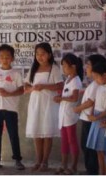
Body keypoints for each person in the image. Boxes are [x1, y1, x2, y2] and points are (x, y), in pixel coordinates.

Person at [24, 42, 64, 171]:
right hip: (35, 103)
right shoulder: (33, 69)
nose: (40, 57)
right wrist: (33, 88)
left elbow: (60, 85)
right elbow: (25, 86)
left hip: (49, 103)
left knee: (47, 133)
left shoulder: (54, 68)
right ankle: (38, 160)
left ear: (49, 54)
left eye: (43, 54)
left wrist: (44, 87)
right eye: (37, 54)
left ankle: (45, 161)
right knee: (37, 132)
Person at [0, 44, 25, 170]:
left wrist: (10, 94)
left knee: (13, 135)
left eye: (7, 56)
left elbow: (21, 90)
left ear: (12, 58)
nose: (4, 59)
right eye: (2, 56)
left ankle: (18, 160)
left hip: (11, 109)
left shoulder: (16, 73)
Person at [74, 54, 106, 175]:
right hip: (87, 119)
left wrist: (78, 108)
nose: (86, 68)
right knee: (86, 146)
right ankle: (91, 170)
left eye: (88, 65)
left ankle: (92, 171)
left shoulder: (97, 85)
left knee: (90, 148)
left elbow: (90, 102)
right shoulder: (94, 84)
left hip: (90, 120)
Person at [54, 53, 83, 175]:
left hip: (70, 116)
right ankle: (63, 165)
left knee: (72, 140)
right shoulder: (68, 79)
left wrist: (62, 99)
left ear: (73, 66)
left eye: (65, 66)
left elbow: (75, 98)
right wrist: (61, 97)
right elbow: (67, 95)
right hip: (63, 115)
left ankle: (73, 166)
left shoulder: (76, 80)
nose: (64, 69)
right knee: (64, 141)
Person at [86, 62, 106, 175]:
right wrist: (92, 113)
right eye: (94, 77)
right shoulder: (99, 87)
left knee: (104, 151)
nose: (95, 79)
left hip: (102, 120)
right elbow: (95, 102)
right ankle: (101, 172)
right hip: (96, 119)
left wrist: (96, 117)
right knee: (98, 150)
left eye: (97, 77)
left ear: (105, 75)